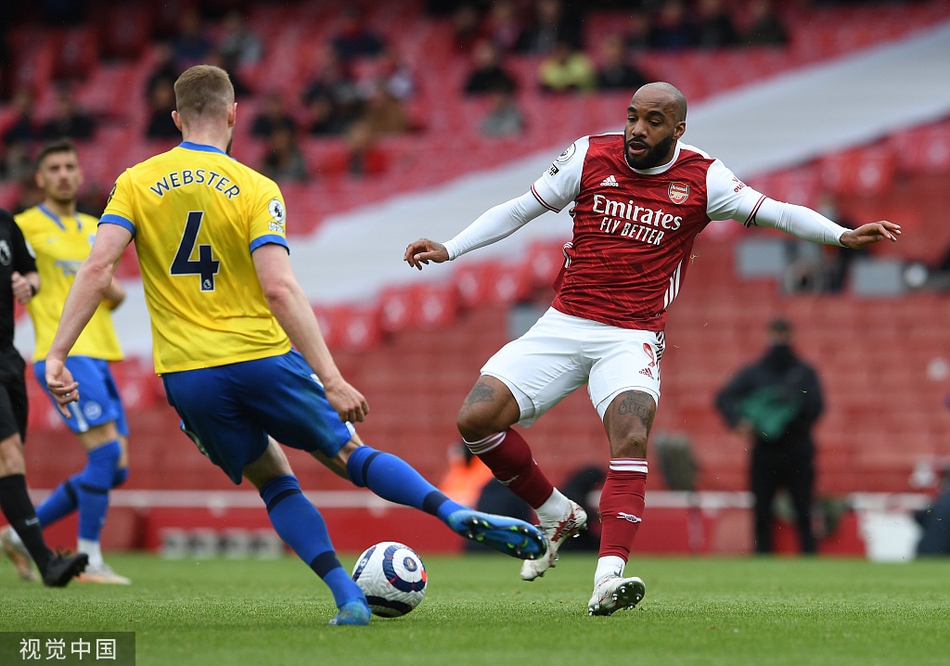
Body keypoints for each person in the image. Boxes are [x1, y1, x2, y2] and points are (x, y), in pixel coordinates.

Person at [42, 65, 545, 626]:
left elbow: (97, 268)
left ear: (177, 118)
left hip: (189, 373)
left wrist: (58, 354)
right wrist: (331, 378)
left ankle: (347, 597)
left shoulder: (135, 181)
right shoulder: (256, 187)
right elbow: (279, 288)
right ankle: (450, 512)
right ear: (234, 113)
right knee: (349, 455)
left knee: (274, 481)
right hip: (260, 355)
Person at [404, 81, 901, 616]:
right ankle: (555, 512)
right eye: (632, 116)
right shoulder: (588, 155)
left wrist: (840, 236)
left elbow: (775, 211)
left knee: (632, 437)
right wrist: (451, 247)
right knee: (476, 420)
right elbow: (520, 209)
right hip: (564, 322)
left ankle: (607, 578)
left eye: (653, 121)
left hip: (631, 335)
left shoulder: (704, 177)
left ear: (678, 129)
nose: (637, 129)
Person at [4, 139, 132, 585]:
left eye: (69, 167)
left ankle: (19, 536)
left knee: (118, 467)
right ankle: (89, 557)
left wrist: (98, 276)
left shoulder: (97, 227)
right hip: (63, 353)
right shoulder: (22, 226)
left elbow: (114, 294)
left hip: (101, 351)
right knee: (106, 454)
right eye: (54, 168)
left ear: (80, 175)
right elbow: (15, 272)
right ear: (40, 178)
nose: (63, 174)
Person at [0, 207, 88, 587]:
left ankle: (24, 547)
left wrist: (27, 285)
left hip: (7, 357)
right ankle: (46, 562)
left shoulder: (6, 222)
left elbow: (31, 272)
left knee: (10, 459)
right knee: (8, 456)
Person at [714, 318, 822, 555]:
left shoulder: (803, 372)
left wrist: (787, 419)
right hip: (765, 451)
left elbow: (817, 407)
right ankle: (763, 559)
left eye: (783, 334)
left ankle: (810, 559)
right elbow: (723, 398)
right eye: (776, 334)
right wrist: (738, 422)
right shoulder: (755, 372)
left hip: (798, 449)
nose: (779, 340)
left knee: (803, 509)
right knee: (762, 511)